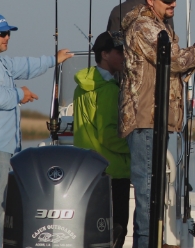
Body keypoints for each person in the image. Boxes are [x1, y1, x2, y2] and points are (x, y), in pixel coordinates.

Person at [118, 0, 195, 248]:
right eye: (167, 0)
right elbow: (174, 60)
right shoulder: (144, 26)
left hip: (157, 119)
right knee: (148, 192)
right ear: (150, 0)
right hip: (146, 118)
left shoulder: (160, 27)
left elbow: (173, 67)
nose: (173, 3)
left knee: (155, 192)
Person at [0, 13, 73, 247]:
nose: (7, 37)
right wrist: (21, 94)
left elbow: (22, 65)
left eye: (8, 32)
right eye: (1, 33)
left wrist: (54, 59)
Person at [72, 31, 131, 248]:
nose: (125, 56)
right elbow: (109, 135)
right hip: (113, 171)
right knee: (117, 230)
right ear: (104, 55)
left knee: (93, 233)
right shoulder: (109, 91)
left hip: (88, 170)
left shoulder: (81, 87)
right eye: (119, 52)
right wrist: (134, 149)